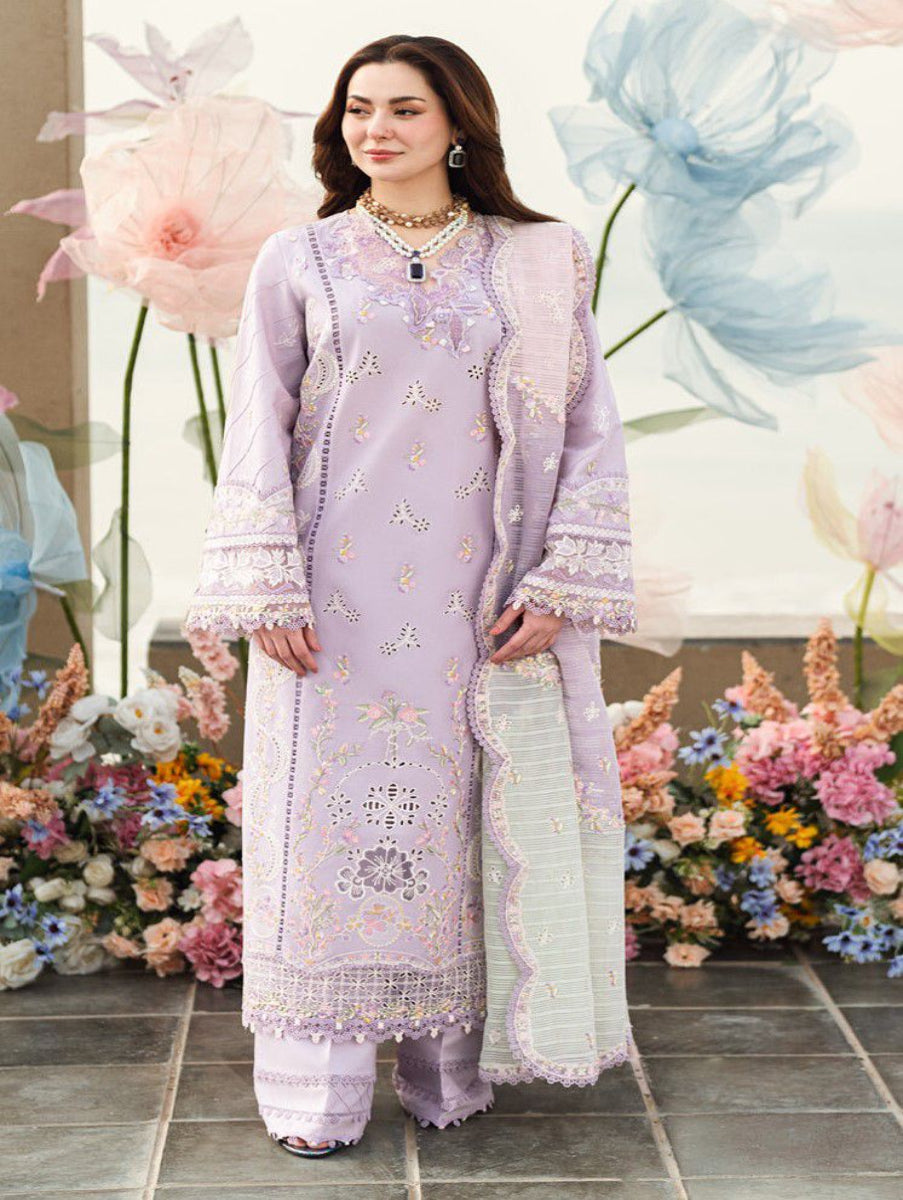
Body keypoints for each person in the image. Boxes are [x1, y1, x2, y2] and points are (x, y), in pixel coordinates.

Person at [184, 32, 637, 1158]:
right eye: (356, 111)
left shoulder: (538, 258)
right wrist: (264, 582)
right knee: (326, 831)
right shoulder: (303, 258)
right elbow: (259, 429)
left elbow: (588, 429)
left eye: (404, 111)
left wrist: (561, 582)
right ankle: (316, 1097)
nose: (374, 131)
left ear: (459, 126)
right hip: (329, 608)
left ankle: (452, 1074)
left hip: (476, 608)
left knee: (460, 826)